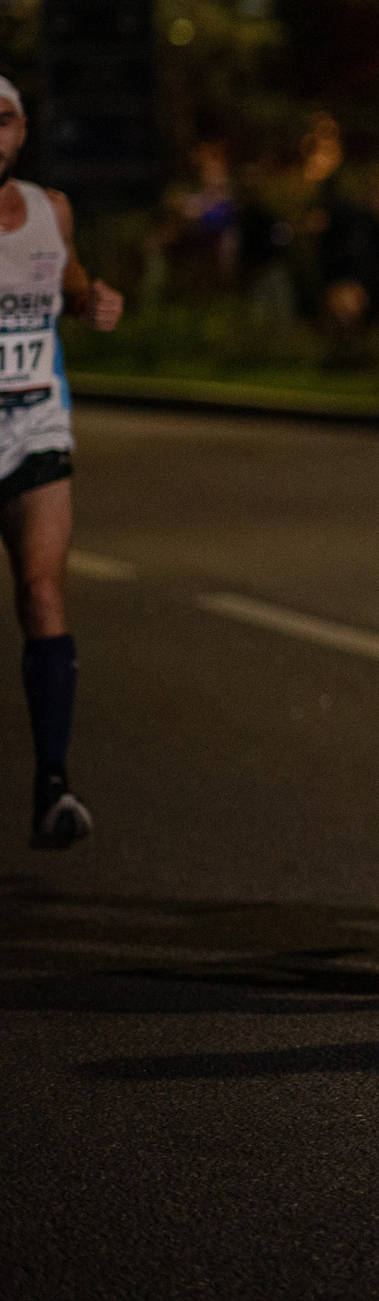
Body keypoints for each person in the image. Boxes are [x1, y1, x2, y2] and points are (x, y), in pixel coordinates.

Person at [0, 77, 123, 848]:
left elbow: (69, 284)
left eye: (3, 118)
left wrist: (93, 302)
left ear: (20, 130)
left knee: (43, 591)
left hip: (36, 423)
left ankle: (54, 783)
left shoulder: (51, 209)